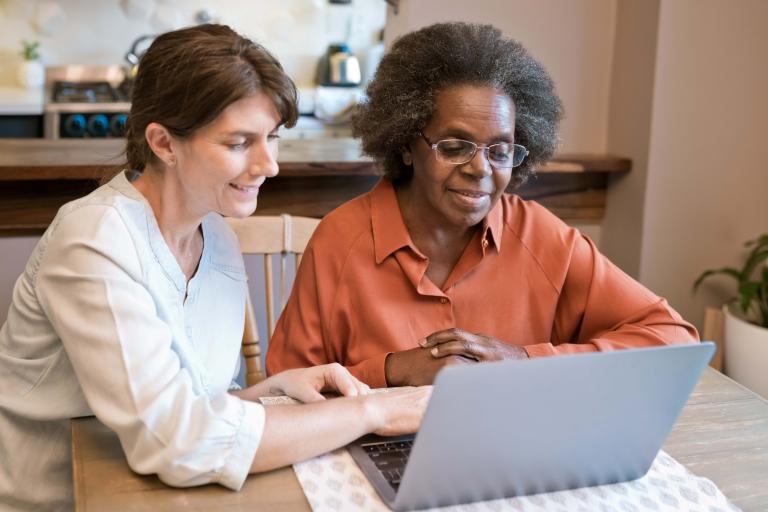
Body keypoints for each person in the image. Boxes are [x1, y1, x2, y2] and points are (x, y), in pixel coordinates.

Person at [0, 24, 430, 512]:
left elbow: (196, 409)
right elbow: (175, 441)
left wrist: (271, 390)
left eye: (271, 137)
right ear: (164, 143)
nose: (269, 164)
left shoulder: (218, 238)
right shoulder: (95, 240)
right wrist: (372, 411)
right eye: (239, 142)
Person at [265, 22, 699, 388]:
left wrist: (525, 362)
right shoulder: (340, 241)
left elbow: (673, 339)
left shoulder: (541, 237)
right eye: (455, 147)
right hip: (376, 452)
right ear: (406, 145)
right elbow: (284, 391)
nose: (480, 169)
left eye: (500, 151)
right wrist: (393, 371)